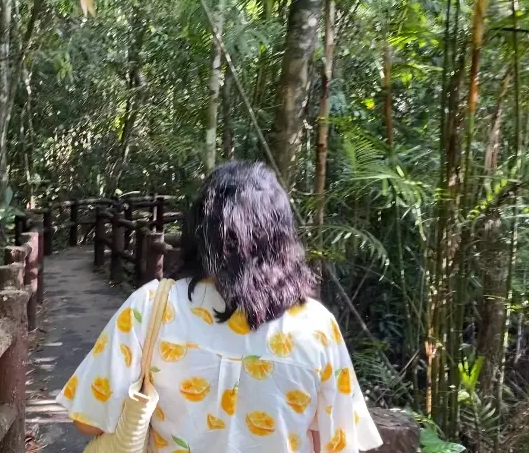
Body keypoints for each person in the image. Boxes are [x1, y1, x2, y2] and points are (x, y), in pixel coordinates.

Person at [56, 161, 383, 452]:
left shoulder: (152, 306)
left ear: (200, 230)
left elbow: (89, 421)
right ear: (282, 236)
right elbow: (339, 440)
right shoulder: (318, 328)